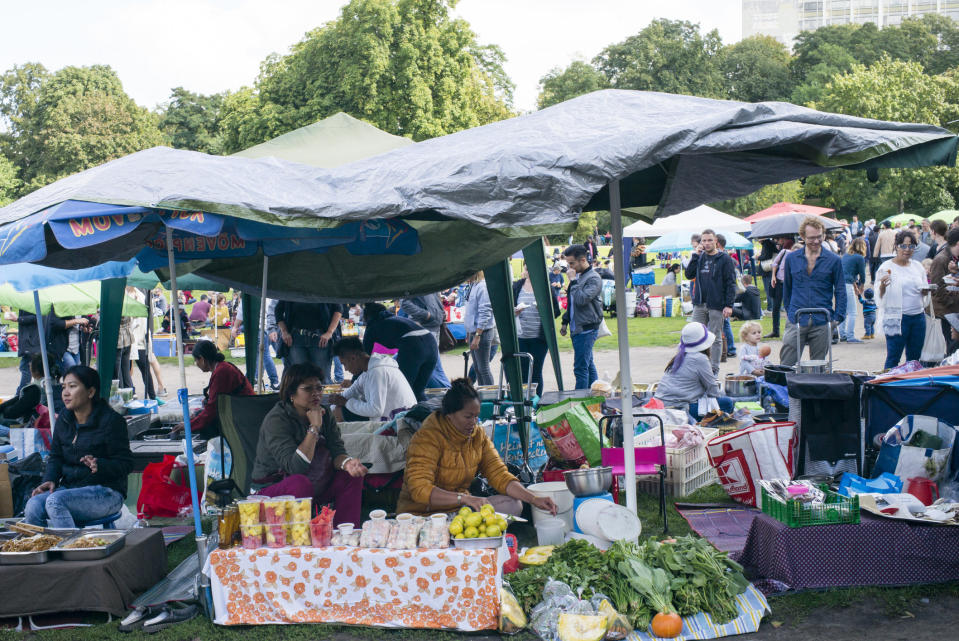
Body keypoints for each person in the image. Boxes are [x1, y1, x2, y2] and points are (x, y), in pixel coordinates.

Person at [396, 378, 558, 516]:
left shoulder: (477, 436)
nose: (473, 422)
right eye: (468, 416)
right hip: (422, 514)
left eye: (476, 416)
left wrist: (534, 498)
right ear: (449, 415)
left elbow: (499, 474)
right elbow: (419, 489)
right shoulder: (427, 437)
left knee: (513, 505)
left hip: (460, 510)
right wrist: (464, 498)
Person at [251, 363, 365, 526]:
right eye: (308, 389)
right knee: (300, 483)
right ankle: (301, 541)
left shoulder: (325, 414)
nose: (316, 394)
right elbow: (296, 468)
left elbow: (337, 450)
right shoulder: (277, 420)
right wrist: (314, 428)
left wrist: (348, 463)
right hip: (275, 489)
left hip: (315, 483)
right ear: (291, 393)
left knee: (351, 475)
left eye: (319, 388)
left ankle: (345, 535)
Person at [24, 365, 132, 528]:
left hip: (107, 492)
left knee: (55, 502)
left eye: (72, 386)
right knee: (33, 505)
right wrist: (49, 480)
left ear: (90, 392)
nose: (65, 393)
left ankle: (71, 550)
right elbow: (56, 457)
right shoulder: (64, 419)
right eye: (64, 387)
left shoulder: (111, 421)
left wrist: (100, 465)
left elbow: (126, 463)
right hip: (71, 489)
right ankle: (43, 552)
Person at [781, 217, 846, 368]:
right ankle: (784, 390)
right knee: (786, 364)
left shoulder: (834, 260)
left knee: (818, 367)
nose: (816, 241)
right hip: (797, 317)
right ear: (802, 237)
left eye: (819, 236)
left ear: (824, 235)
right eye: (811, 238)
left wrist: (838, 317)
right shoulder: (792, 259)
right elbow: (787, 288)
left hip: (822, 318)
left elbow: (841, 289)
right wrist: (790, 311)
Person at [653, 323, 734, 421]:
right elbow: (713, 390)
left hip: (660, 405)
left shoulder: (680, 355)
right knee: (728, 403)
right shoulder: (700, 358)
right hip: (680, 408)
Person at [174, 340, 253, 439]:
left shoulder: (222, 372)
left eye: (196, 360)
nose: (196, 364)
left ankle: (214, 449)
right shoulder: (221, 368)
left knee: (207, 423)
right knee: (199, 414)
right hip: (240, 410)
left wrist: (188, 425)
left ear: (202, 359)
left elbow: (212, 410)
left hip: (242, 415)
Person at [684, 229, 736, 375]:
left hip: (717, 304)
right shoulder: (699, 257)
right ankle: (696, 367)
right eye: (703, 241)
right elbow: (689, 275)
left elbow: (731, 282)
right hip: (700, 303)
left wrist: (729, 305)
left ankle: (714, 369)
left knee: (715, 337)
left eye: (709, 240)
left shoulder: (724, 259)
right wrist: (695, 255)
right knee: (695, 334)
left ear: (715, 242)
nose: (706, 243)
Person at [362, 303, 439, 401]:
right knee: (418, 391)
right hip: (431, 343)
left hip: (413, 346)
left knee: (402, 390)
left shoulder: (373, 324)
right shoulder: (395, 319)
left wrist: (358, 380)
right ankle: (425, 414)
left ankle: (404, 415)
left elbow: (366, 354)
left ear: (367, 316)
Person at [330, 337, 416, 422]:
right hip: (391, 416)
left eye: (344, 364)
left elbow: (376, 410)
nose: (345, 369)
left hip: (400, 422)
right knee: (337, 409)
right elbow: (352, 391)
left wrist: (346, 402)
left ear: (353, 358)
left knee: (339, 413)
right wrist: (336, 399)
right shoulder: (368, 371)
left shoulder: (377, 372)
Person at [877, 230, 928, 369]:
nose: (907, 250)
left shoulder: (917, 266)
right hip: (897, 318)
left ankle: (911, 386)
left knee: (915, 358)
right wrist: (882, 286)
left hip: (918, 317)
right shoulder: (886, 267)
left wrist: (925, 291)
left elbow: (924, 289)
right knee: (893, 356)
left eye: (911, 246)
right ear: (896, 246)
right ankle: (888, 387)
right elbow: (879, 297)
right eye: (903, 246)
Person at [513, 265, 561, 397]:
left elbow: (556, 312)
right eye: (527, 269)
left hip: (539, 338)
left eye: (532, 268)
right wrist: (515, 311)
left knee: (536, 371)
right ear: (524, 269)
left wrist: (544, 310)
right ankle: (523, 401)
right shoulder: (517, 286)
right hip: (521, 336)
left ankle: (536, 401)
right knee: (522, 371)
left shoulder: (545, 287)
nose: (529, 272)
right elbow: (508, 308)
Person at [560, 244, 603, 390]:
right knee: (588, 365)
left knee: (580, 368)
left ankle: (580, 401)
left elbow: (581, 300)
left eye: (571, 263)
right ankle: (597, 396)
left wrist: (573, 281)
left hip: (587, 329)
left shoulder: (594, 278)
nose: (569, 268)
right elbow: (572, 302)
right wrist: (565, 321)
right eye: (568, 264)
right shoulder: (579, 277)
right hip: (576, 327)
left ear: (583, 260)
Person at [275, 300, 344, 383]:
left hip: (320, 338)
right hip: (296, 338)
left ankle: (322, 396)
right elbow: (278, 310)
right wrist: (284, 331)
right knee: (299, 378)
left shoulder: (326, 288)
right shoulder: (291, 288)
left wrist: (330, 332)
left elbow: (338, 309)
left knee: (322, 378)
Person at [400, 293, 451, 388]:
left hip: (434, 327)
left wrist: (441, 313)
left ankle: (444, 391)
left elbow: (435, 298)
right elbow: (404, 303)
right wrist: (425, 315)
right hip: (423, 328)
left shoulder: (430, 281)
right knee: (431, 367)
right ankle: (446, 390)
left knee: (433, 366)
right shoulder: (414, 281)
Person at [232, 300, 280, 391]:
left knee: (263, 354)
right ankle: (254, 377)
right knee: (261, 354)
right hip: (269, 326)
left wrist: (235, 327)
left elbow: (242, 311)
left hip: (259, 326)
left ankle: (273, 381)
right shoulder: (270, 290)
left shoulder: (250, 288)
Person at [463, 272, 496, 386]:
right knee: (478, 368)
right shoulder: (472, 285)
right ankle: (484, 394)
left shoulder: (482, 287)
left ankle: (490, 396)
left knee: (483, 369)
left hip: (482, 332)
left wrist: (477, 336)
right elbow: (470, 311)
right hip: (474, 332)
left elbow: (485, 312)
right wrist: (469, 332)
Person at [930, 229, 959, 353]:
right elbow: (937, 289)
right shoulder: (941, 259)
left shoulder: (954, 258)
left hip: (953, 310)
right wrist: (952, 303)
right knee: (952, 346)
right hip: (948, 312)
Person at [0, 355, 45, 427]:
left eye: (31, 364)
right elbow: (18, 399)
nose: (29, 365)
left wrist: (3, 410)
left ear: (36, 371)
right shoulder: (54, 383)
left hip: (30, 425)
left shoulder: (35, 389)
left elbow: (14, 412)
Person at [765, 236, 796, 338]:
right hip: (779, 282)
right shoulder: (784, 252)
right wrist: (773, 276)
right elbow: (775, 263)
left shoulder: (797, 255)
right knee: (776, 307)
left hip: (790, 284)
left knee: (790, 307)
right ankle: (776, 330)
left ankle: (792, 330)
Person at [840, 238, 868, 343]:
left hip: (839, 284)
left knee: (844, 311)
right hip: (847, 285)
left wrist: (855, 286)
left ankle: (842, 334)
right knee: (853, 312)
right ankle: (850, 336)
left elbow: (848, 273)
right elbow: (862, 274)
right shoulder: (859, 258)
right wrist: (861, 286)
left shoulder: (846, 255)